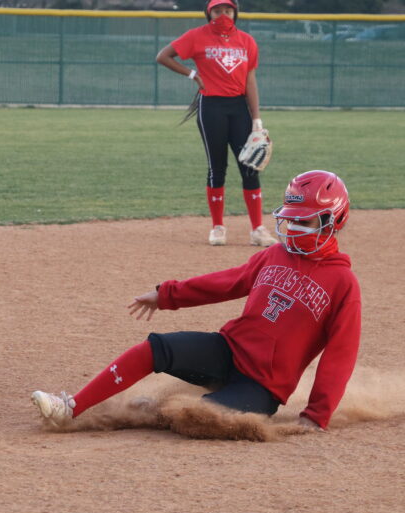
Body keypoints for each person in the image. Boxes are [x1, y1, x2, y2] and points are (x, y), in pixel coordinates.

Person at [32, 171, 361, 432]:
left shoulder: (342, 283)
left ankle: (156, 412)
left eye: (305, 220)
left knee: (196, 417)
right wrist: (167, 294)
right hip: (228, 350)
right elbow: (225, 283)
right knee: (154, 348)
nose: (293, 227)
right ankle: (70, 408)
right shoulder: (274, 254)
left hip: (263, 387)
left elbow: (341, 354)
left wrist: (317, 415)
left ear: (335, 220)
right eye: (291, 218)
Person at [156, 0, 277, 248]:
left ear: (235, 12)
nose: (223, 14)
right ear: (208, 13)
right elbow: (163, 56)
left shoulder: (247, 41)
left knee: (250, 167)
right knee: (217, 167)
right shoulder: (196, 36)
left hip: (239, 108)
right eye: (218, 10)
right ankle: (218, 227)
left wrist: (256, 119)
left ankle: (257, 229)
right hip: (211, 107)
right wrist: (191, 74)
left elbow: (250, 81)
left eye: (228, 10)